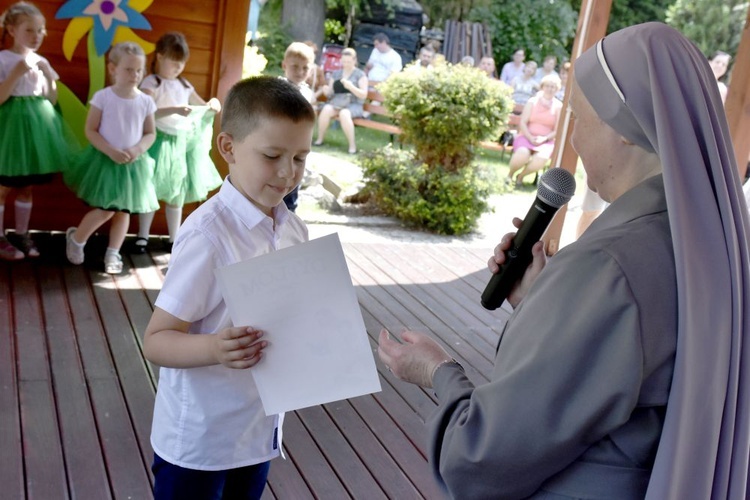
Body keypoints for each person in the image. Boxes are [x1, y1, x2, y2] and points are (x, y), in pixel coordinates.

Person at [378, 22, 750, 499]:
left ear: (628, 131)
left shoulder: (608, 264)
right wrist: (545, 301)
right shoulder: (704, 239)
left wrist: (438, 371)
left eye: (578, 117)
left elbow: (483, 454)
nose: (571, 139)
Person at [143, 76, 315, 500]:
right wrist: (215, 349)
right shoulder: (207, 236)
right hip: (200, 441)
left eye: (300, 158)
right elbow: (156, 341)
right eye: (273, 155)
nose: (287, 173)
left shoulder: (294, 229)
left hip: (257, 432)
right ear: (228, 148)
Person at [64, 42, 158, 274]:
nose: (134, 74)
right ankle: (77, 238)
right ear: (113, 69)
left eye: (139, 70)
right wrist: (110, 151)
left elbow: (150, 133)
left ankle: (113, 252)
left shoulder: (145, 101)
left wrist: (137, 150)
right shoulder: (104, 97)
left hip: (132, 164)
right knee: (105, 209)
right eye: (128, 69)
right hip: (105, 161)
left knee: (124, 211)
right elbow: (91, 130)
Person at [0, 1, 77, 260]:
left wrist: (47, 77)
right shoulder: (3, 59)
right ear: (11, 30)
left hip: (36, 128)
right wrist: (16, 73)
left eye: (41, 30)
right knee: (2, 186)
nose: (37, 36)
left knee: (26, 186)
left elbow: (51, 100)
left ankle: (21, 234)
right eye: (29, 30)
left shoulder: (40, 60)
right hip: (9, 128)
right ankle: (0, 237)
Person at [136, 32, 222, 253]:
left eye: (181, 63)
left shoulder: (184, 85)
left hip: (180, 145)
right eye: (174, 62)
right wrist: (174, 110)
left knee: (177, 193)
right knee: (151, 190)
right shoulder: (151, 82)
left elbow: (201, 105)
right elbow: (147, 110)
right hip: (157, 142)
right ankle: (142, 236)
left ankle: (174, 238)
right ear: (160, 57)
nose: (178, 67)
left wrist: (212, 105)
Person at [507, 73, 562, 186]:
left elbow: (557, 130)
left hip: (546, 141)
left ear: (557, 89)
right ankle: (510, 175)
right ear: (542, 87)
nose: (550, 89)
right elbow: (523, 122)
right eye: (547, 86)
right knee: (522, 153)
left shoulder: (558, 106)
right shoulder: (532, 101)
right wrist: (530, 137)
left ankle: (520, 177)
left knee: (541, 158)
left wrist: (544, 138)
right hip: (526, 136)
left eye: (553, 87)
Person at [281, 41, 315, 212]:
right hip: (280, 145)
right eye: (295, 67)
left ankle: (289, 220)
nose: (300, 72)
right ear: (284, 65)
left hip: (298, 149)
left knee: (293, 185)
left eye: (305, 68)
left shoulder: (307, 92)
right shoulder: (277, 89)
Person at [314, 47, 368, 155]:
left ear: (354, 60)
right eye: (343, 61)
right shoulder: (336, 74)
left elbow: (363, 95)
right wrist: (326, 91)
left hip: (353, 104)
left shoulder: (360, 75)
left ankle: (352, 146)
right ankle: (320, 140)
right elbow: (330, 93)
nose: (346, 64)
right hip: (337, 103)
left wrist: (351, 87)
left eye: (348, 61)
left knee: (344, 114)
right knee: (326, 109)